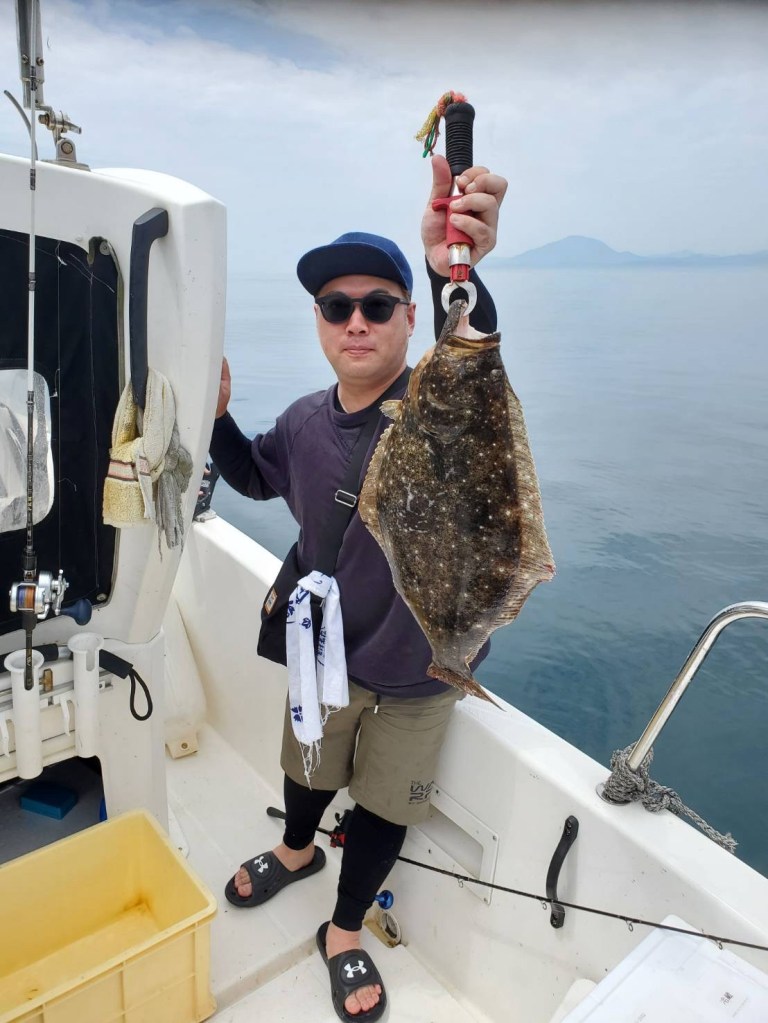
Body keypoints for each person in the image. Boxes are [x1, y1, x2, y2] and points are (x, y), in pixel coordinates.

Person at [210, 155, 507, 1022]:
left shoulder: (436, 407)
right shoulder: (304, 419)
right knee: (306, 765)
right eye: (336, 306)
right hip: (323, 647)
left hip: (421, 662)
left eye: (378, 304)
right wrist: (218, 416)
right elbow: (255, 476)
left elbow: (474, 362)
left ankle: (343, 930)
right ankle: (296, 848)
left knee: (383, 801)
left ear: (411, 317)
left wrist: (456, 270)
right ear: (318, 320)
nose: (356, 321)